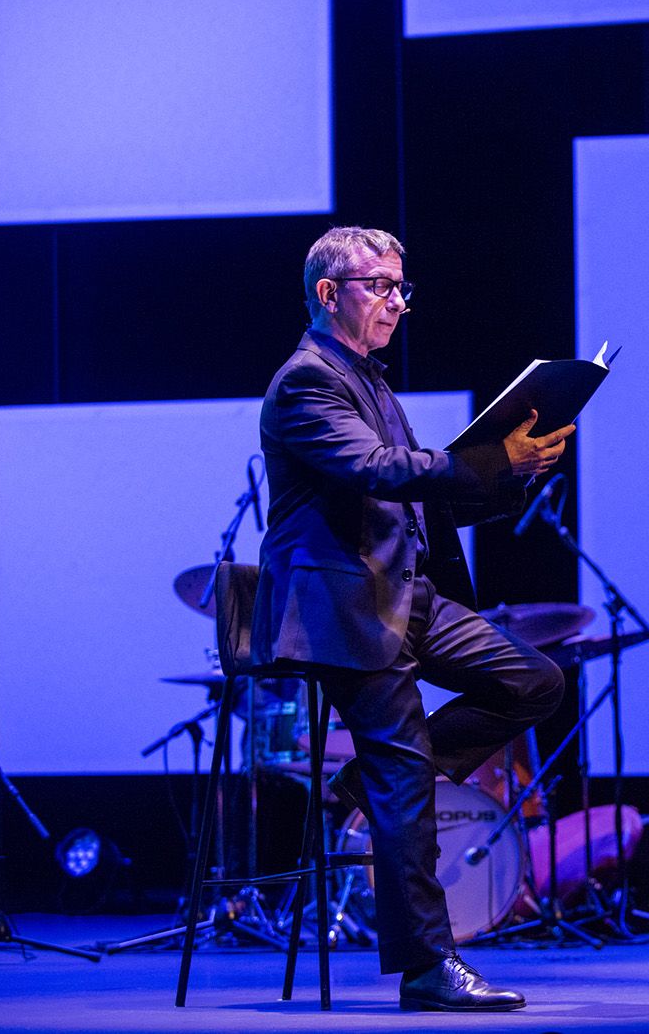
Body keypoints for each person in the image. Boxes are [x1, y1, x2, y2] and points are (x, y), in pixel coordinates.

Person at [252, 226, 569, 1011]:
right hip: (348, 606)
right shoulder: (306, 381)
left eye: (403, 287)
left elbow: (426, 484)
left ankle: (363, 779)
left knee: (534, 682)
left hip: (405, 594)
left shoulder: (370, 380)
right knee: (406, 785)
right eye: (381, 286)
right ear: (331, 294)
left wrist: (512, 471)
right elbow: (374, 469)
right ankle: (429, 968)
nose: (398, 301)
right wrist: (493, 458)